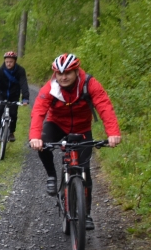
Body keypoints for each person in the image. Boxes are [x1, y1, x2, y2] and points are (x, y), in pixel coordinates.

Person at [29, 53, 122, 230]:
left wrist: (113, 133)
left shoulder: (89, 84)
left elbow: (104, 106)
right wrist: (35, 137)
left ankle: (85, 214)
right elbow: (39, 110)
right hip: (56, 124)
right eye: (59, 73)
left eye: (68, 73)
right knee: (43, 143)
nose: (63, 77)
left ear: (76, 71)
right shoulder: (51, 88)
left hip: (81, 129)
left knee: (84, 172)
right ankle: (51, 175)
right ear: (55, 74)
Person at [0, 50, 30, 142]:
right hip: (2, 94)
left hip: (14, 94)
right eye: (7, 62)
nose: (8, 64)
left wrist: (25, 98)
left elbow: (23, 84)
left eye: (11, 62)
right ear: (4, 61)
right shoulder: (0, 71)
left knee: (13, 113)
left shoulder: (20, 71)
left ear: (15, 61)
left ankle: (11, 133)